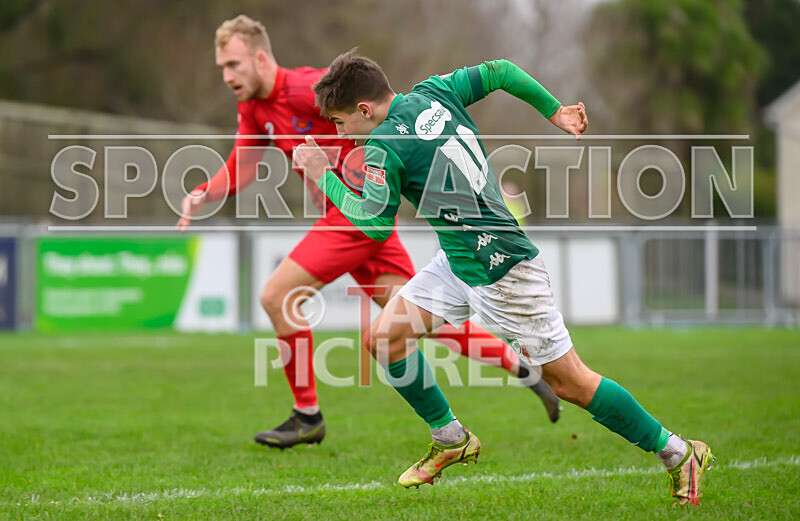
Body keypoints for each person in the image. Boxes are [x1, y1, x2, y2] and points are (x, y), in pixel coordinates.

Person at [293, 50, 714, 504]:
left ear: (363, 110)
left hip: (504, 272)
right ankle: (451, 438)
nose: (339, 134)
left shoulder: (381, 146)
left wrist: (324, 174)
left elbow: (374, 225)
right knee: (385, 338)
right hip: (460, 262)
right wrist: (555, 110)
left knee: (569, 382)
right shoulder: (435, 91)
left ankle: (678, 453)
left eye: (338, 123)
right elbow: (501, 71)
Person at [175, 15, 561, 449]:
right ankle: (523, 368)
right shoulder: (253, 108)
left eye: (233, 65)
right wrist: (204, 192)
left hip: (354, 212)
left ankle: (307, 416)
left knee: (275, 295)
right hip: (358, 216)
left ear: (260, 58)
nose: (226, 76)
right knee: (410, 314)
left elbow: (362, 104)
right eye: (221, 67)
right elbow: (243, 166)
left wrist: (364, 173)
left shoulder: (303, 89)